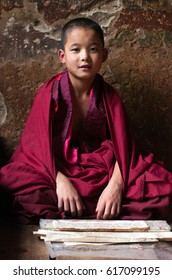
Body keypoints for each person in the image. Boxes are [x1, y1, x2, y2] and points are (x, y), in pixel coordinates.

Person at [0, 17, 172, 224]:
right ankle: (95, 210)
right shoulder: (48, 94)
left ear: (104, 55)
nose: (85, 57)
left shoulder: (110, 98)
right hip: (54, 166)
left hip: (100, 169)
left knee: (160, 187)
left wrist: (115, 187)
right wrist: (59, 181)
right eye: (76, 50)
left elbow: (126, 150)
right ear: (62, 56)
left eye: (92, 49)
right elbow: (33, 148)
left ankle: (98, 206)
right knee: (23, 192)